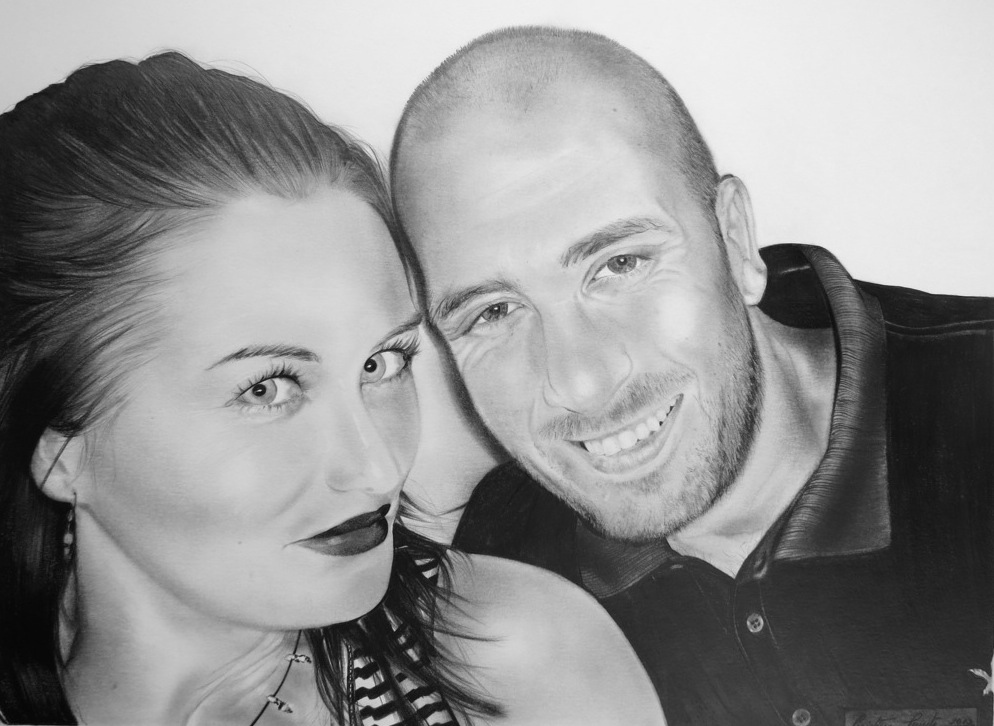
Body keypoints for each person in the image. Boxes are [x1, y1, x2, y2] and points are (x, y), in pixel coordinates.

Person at [0, 52, 666, 726]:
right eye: (267, 389)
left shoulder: (520, 667)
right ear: (60, 447)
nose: (377, 469)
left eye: (382, 364)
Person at [390, 26, 994, 726]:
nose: (581, 381)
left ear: (735, 239)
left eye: (619, 265)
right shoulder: (498, 574)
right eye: (493, 313)